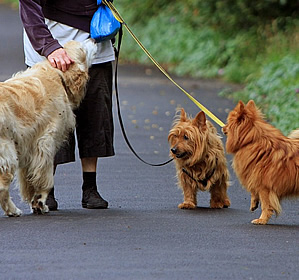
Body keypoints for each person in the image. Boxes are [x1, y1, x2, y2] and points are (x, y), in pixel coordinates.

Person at [19, 0, 115, 210]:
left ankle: (90, 187)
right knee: (48, 123)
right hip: (51, 44)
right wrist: (48, 46)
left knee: (95, 114)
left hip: (94, 40)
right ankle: (46, 188)